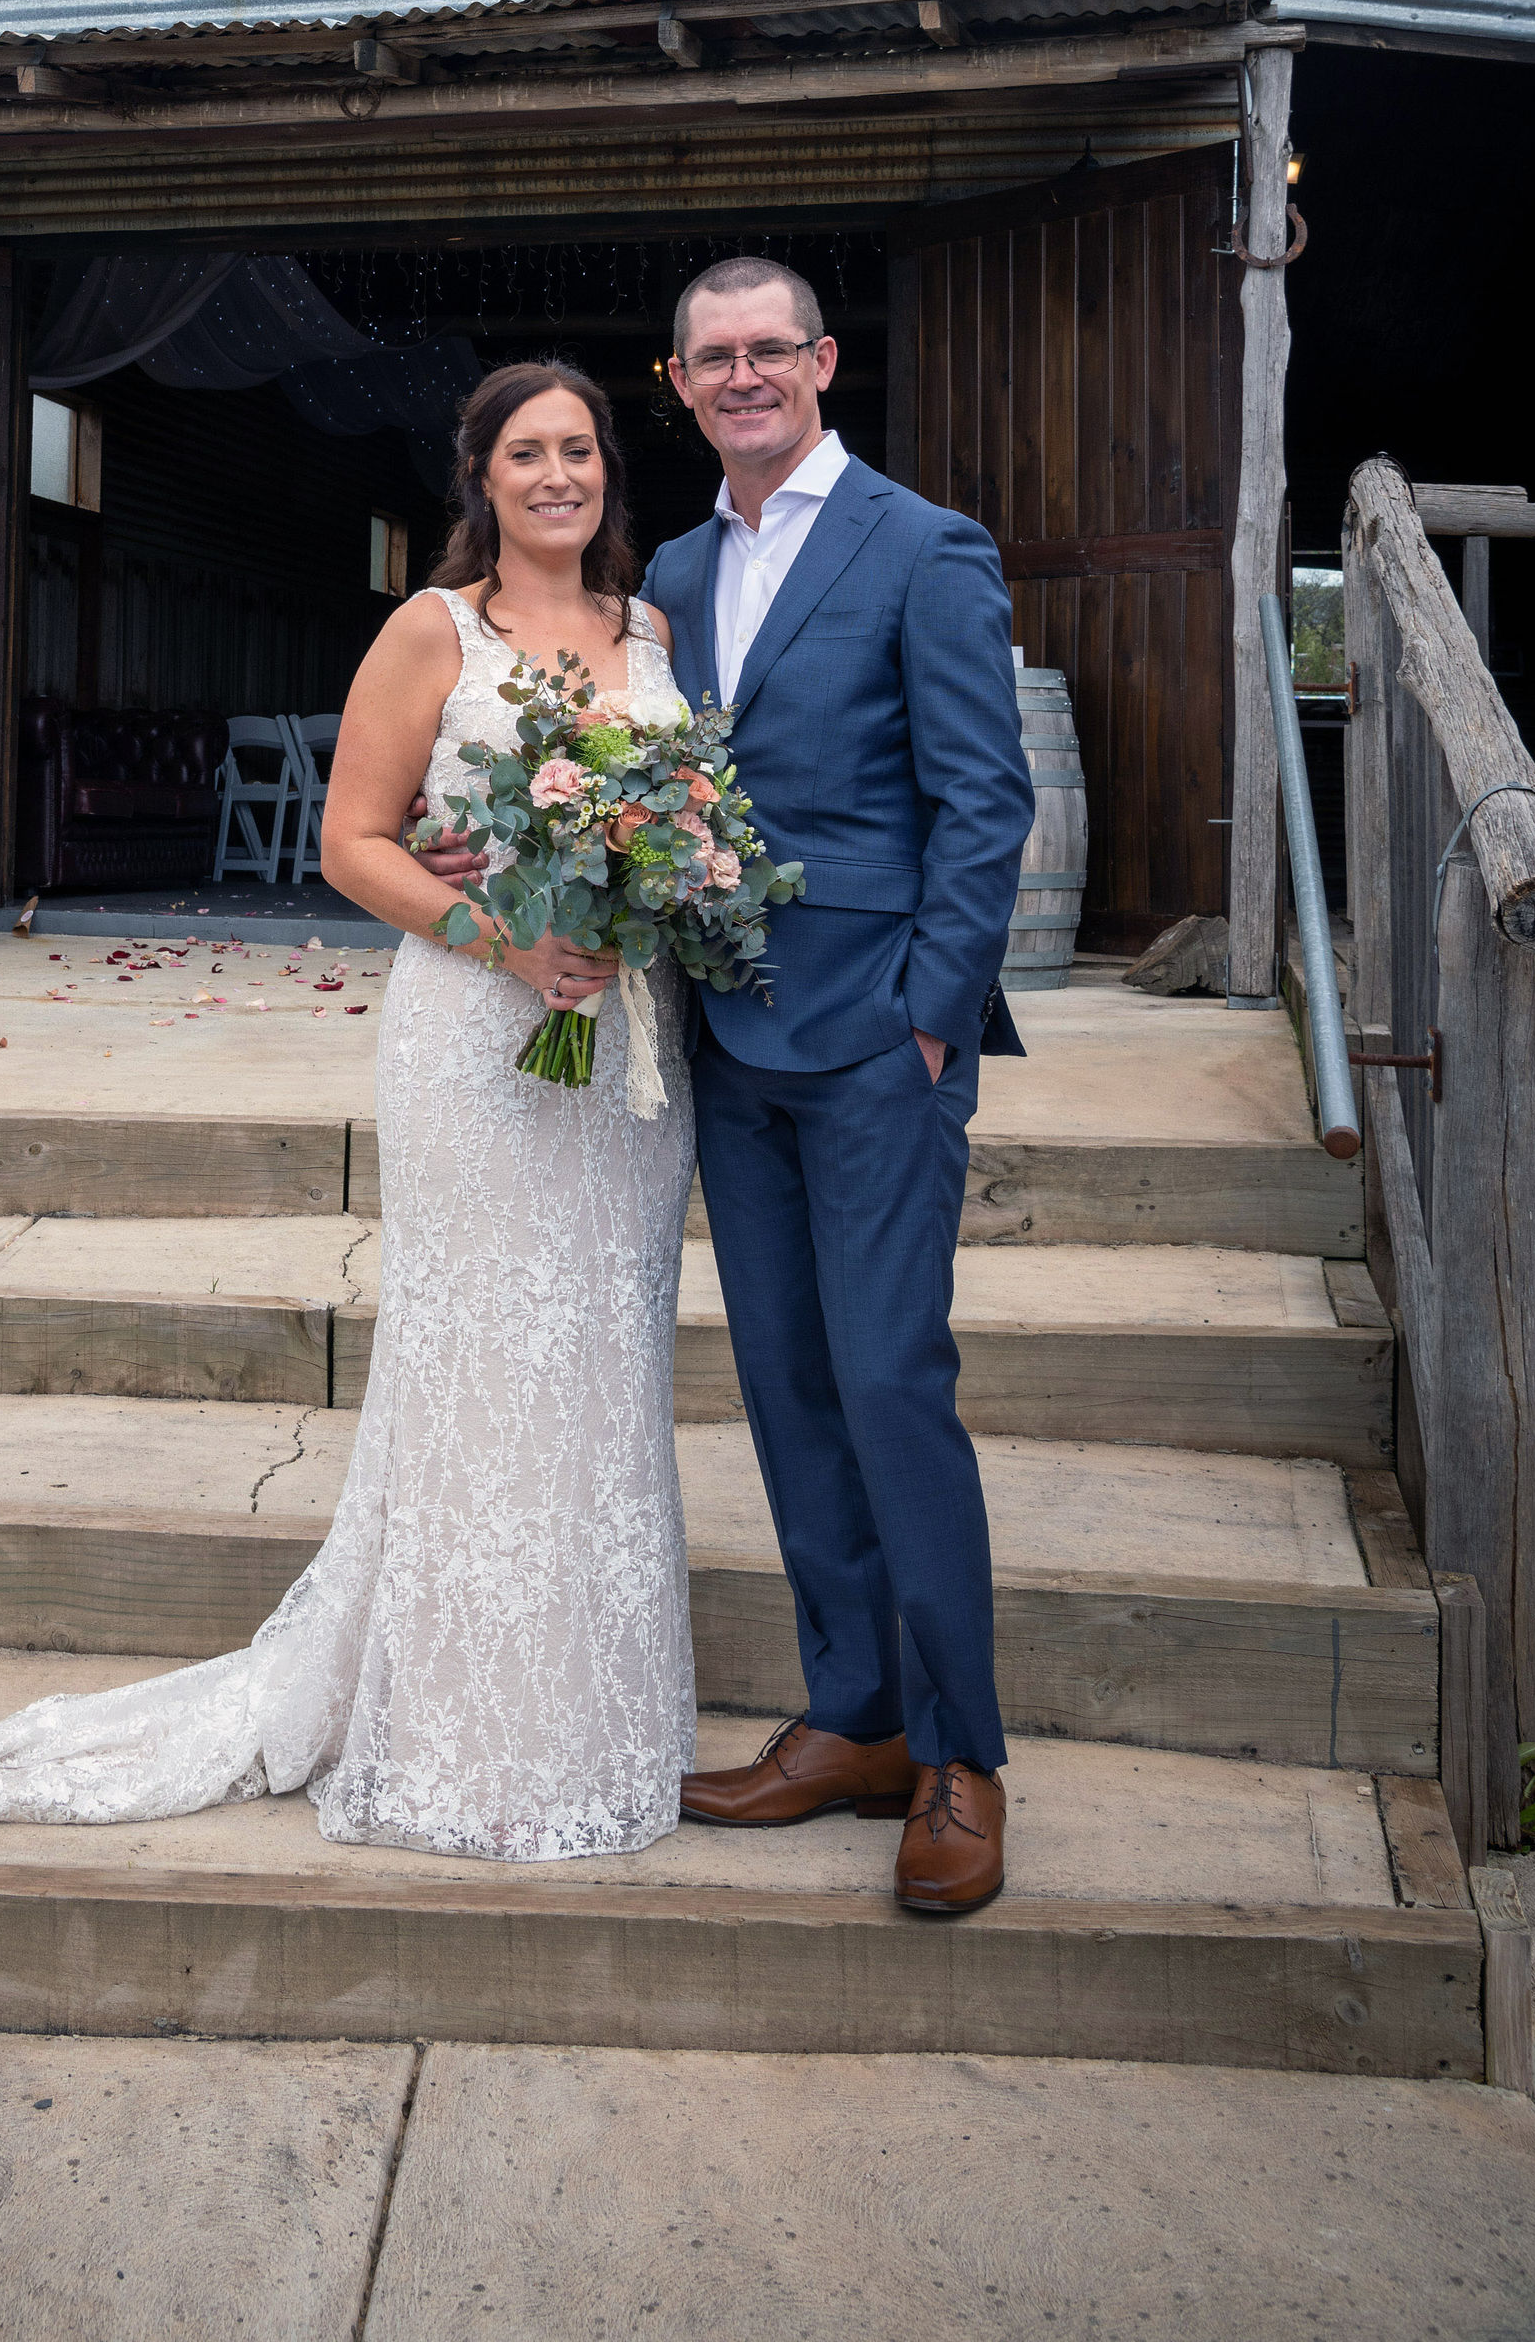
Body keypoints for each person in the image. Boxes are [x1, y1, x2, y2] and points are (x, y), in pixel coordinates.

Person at [0, 360, 699, 1860]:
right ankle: (459, 1727)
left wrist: (655, 884)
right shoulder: (430, 628)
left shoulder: (651, 634)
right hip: (479, 1033)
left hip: (623, 1057)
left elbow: (679, 819)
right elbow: (350, 842)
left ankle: (587, 1708)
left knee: (601, 1348)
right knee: (481, 1351)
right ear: (482, 478)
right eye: (528, 452)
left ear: (609, 475)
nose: (559, 475)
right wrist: (504, 937)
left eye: (580, 449)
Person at [620, 254, 1035, 1911]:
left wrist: (931, 1019)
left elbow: (983, 800)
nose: (741, 377)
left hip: (876, 1042)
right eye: (710, 357)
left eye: (766, 351)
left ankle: (961, 1758)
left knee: (887, 1385)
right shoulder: (669, 567)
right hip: (730, 1040)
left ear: (822, 363)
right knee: (787, 1387)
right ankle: (854, 1716)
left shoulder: (926, 547)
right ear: (679, 383)